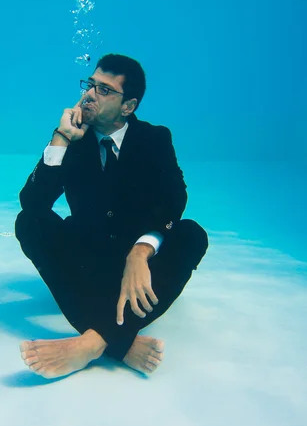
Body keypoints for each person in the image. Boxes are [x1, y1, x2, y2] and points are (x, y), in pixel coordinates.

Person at [15, 54, 208, 379]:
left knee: (192, 235)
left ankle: (90, 342)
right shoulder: (73, 139)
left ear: (128, 106)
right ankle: (114, 342)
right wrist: (60, 138)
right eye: (89, 85)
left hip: (137, 267)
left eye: (104, 90)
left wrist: (141, 251)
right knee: (29, 222)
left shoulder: (154, 138)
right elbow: (33, 203)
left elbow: (175, 198)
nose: (89, 94)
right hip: (87, 260)